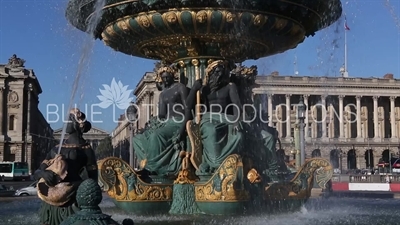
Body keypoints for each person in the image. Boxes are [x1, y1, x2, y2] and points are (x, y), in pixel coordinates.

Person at [34, 108, 98, 225]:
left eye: (69, 119)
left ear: (77, 123)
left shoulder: (86, 150)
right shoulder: (56, 148)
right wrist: (43, 174)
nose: (65, 122)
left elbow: (93, 180)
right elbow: (37, 172)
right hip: (51, 201)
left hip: (72, 201)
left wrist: (75, 185)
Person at [186, 60, 244, 174]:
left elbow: (237, 106)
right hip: (209, 119)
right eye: (216, 73)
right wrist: (194, 89)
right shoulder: (204, 90)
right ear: (210, 74)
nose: (219, 76)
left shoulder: (230, 87)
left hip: (227, 118)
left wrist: (237, 121)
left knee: (238, 135)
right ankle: (215, 163)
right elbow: (187, 106)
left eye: (222, 73)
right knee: (211, 130)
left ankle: (227, 161)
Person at [133, 66, 191, 177]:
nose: (166, 80)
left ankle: (153, 168)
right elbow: (161, 115)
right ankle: (146, 164)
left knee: (155, 136)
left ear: (173, 76)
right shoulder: (163, 94)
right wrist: (150, 125)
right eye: (163, 78)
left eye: (168, 77)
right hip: (166, 123)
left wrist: (183, 128)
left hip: (178, 121)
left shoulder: (180, 87)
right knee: (138, 138)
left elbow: (188, 108)